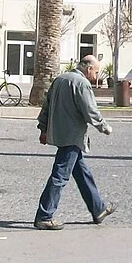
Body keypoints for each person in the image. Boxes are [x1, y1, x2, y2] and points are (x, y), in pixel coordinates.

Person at [34, 55, 115, 230]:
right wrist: (104, 127)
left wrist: (43, 129)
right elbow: (90, 110)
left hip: (60, 133)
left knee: (82, 173)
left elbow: (46, 106)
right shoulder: (82, 83)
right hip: (72, 136)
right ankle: (44, 215)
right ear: (89, 68)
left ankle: (98, 209)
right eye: (96, 72)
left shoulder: (60, 79)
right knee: (60, 176)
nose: (96, 76)